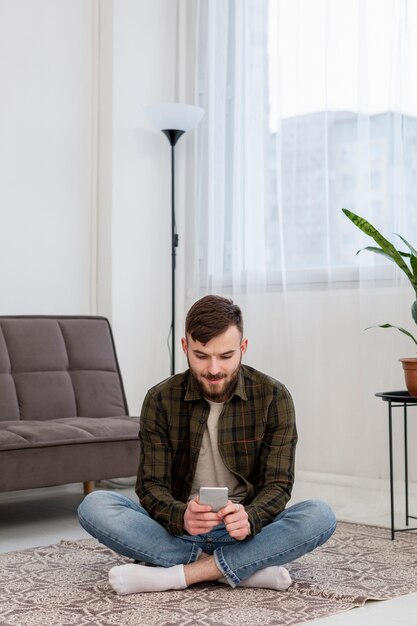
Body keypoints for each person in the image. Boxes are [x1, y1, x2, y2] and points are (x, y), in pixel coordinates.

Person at [78, 295, 336, 595]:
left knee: (320, 515)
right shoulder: (160, 399)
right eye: (201, 356)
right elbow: (150, 486)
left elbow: (277, 485)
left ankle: (178, 574)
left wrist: (249, 518)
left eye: (226, 356)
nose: (214, 369)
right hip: (178, 531)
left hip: (245, 533)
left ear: (243, 348)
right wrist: (181, 515)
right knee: (94, 506)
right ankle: (242, 569)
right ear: (185, 347)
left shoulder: (274, 397)